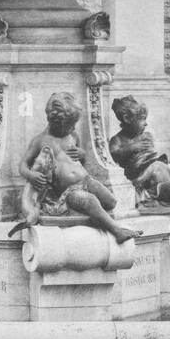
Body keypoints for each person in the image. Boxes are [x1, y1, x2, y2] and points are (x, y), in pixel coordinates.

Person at [18, 92, 142, 243]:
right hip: (67, 192)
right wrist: (31, 175)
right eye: (70, 125)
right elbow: (22, 165)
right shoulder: (40, 141)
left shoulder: (73, 136)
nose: (73, 127)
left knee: (111, 201)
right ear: (56, 122)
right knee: (89, 201)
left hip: (86, 181)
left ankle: (93, 213)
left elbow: (81, 161)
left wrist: (82, 154)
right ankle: (117, 231)